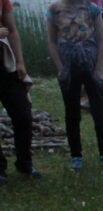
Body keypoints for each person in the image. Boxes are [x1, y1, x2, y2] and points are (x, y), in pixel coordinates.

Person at [46, 0, 103, 171]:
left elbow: (102, 39)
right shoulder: (54, 10)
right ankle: (76, 156)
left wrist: (99, 67)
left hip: (90, 63)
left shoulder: (92, 8)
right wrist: (60, 67)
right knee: (72, 112)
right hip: (68, 66)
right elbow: (52, 41)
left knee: (98, 109)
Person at [0, 0, 41, 183]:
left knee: (23, 114)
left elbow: (12, 30)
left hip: (5, 65)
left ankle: (25, 163)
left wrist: (20, 62)